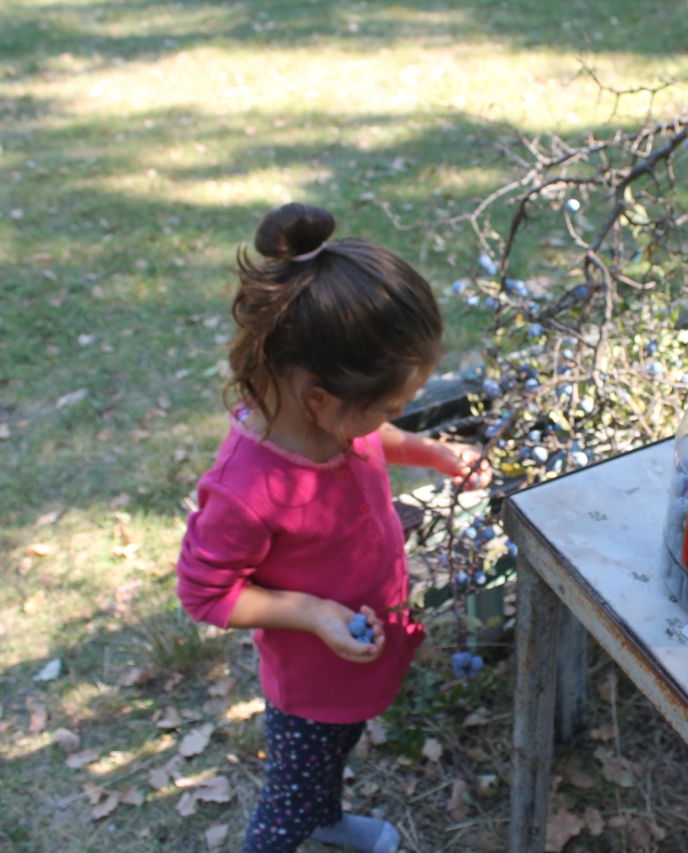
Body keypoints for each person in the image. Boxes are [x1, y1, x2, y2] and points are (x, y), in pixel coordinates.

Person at [176, 203, 489, 853]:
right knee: (287, 802)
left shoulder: (329, 420)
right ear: (321, 397)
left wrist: (430, 452)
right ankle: (305, 821)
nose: (392, 416)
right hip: (311, 685)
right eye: (390, 404)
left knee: (333, 757)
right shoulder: (247, 489)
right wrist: (313, 612)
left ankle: (327, 817)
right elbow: (204, 593)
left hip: (357, 654)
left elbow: (373, 435)